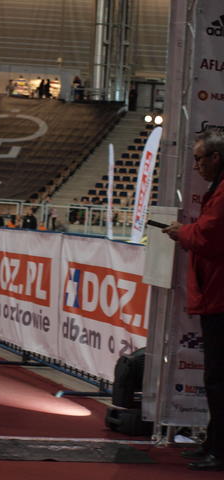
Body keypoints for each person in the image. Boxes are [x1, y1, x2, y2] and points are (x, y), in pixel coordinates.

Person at [163, 130, 224, 472]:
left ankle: (219, 449)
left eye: (200, 159)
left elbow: (209, 236)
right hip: (215, 296)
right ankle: (214, 444)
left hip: (219, 298)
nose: (197, 165)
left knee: (218, 379)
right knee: (215, 378)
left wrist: (181, 232)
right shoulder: (218, 189)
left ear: (216, 157)